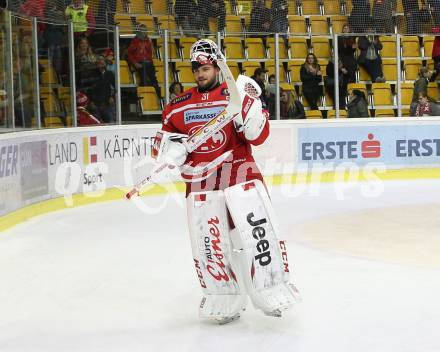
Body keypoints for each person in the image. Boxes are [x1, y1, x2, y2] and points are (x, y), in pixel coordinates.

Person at [153, 39, 299, 324]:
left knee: (255, 236)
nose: (199, 72)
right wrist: (171, 149)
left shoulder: (238, 96)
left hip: (239, 173)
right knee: (212, 243)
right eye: (195, 68)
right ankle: (225, 296)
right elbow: (160, 143)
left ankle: (269, 289)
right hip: (201, 182)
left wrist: (252, 116)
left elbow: (259, 137)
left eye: (205, 67)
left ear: (217, 66)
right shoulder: (176, 107)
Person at [127, 25, 161, 98]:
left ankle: (159, 98)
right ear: (139, 31)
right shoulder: (135, 41)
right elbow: (129, 54)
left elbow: (151, 53)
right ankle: (145, 97)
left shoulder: (148, 40)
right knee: (144, 80)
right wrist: (135, 63)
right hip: (140, 63)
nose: (144, 32)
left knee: (154, 81)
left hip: (149, 62)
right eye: (143, 30)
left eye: (145, 30)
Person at [88, 55, 115, 123]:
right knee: (95, 125)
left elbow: (115, 87)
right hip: (95, 104)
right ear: (96, 63)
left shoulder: (110, 74)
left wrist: (112, 96)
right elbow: (88, 89)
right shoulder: (91, 75)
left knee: (110, 123)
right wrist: (90, 101)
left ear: (105, 62)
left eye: (102, 60)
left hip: (107, 104)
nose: (101, 61)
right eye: (99, 60)